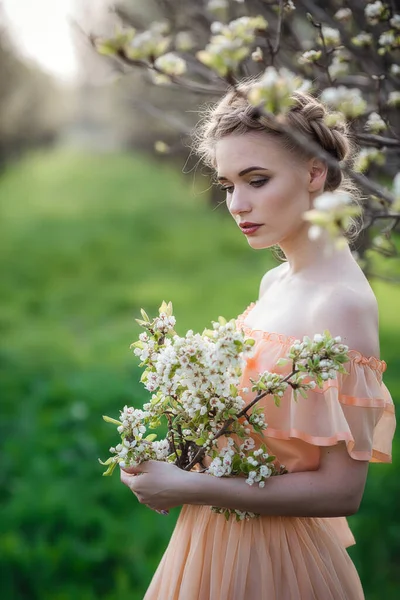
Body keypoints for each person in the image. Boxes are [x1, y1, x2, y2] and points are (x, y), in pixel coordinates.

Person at [120, 84, 396, 600]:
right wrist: (175, 460)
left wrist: (188, 487)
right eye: (227, 186)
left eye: (257, 180)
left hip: (276, 562)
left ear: (315, 172)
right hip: (208, 543)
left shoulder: (340, 304)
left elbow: (342, 490)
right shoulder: (276, 283)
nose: (237, 204)